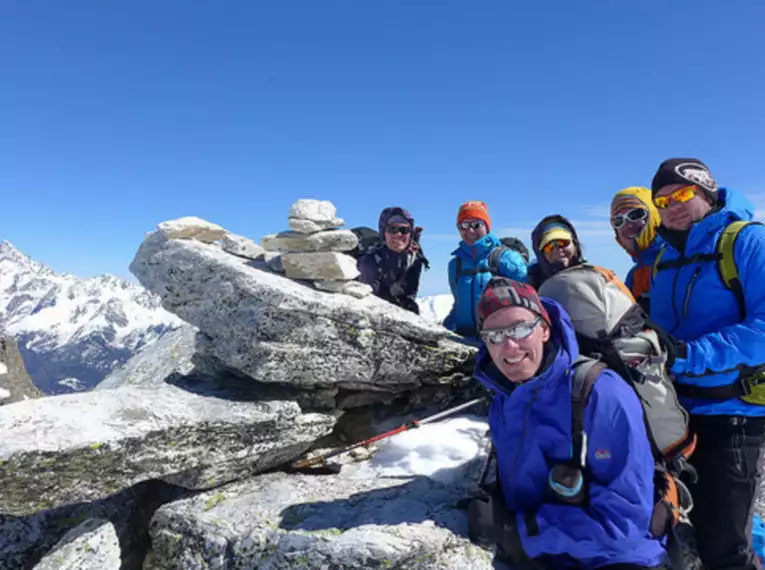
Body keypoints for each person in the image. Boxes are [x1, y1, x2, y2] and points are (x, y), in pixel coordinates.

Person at [470, 276, 665, 569]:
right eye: (494, 335)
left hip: (613, 559)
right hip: (545, 553)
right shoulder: (505, 394)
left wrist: (519, 531)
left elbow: (622, 523)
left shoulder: (599, 393)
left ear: (545, 329)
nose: (509, 346)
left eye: (520, 329)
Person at [650, 157, 765, 570]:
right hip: (674, 414)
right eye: (661, 201)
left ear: (707, 190)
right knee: (682, 527)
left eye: (681, 193)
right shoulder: (663, 259)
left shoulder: (747, 242)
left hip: (730, 414)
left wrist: (691, 354)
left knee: (725, 550)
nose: (672, 205)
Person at [443, 201, 527, 338]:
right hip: (464, 336)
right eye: (464, 225)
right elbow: (458, 303)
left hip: (500, 338)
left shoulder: (508, 259)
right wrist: (445, 329)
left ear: (487, 227)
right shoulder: (455, 264)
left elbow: (526, 304)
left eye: (477, 225)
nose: (470, 231)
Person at [357, 206, 428, 314]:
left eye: (404, 230)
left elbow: (409, 294)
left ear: (410, 234)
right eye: (392, 229)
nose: (398, 235)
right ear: (384, 233)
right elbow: (367, 302)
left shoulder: (414, 257)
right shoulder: (370, 261)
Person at [610, 187, 663, 313]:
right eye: (618, 221)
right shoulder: (634, 276)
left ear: (655, 215)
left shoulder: (680, 259)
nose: (628, 224)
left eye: (636, 215)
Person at [527, 215, 585, 289]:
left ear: (575, 244)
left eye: (563, 243)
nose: (557, 250)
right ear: (541, 254)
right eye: (549, 246)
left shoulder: (591, 276)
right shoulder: (531, 284)